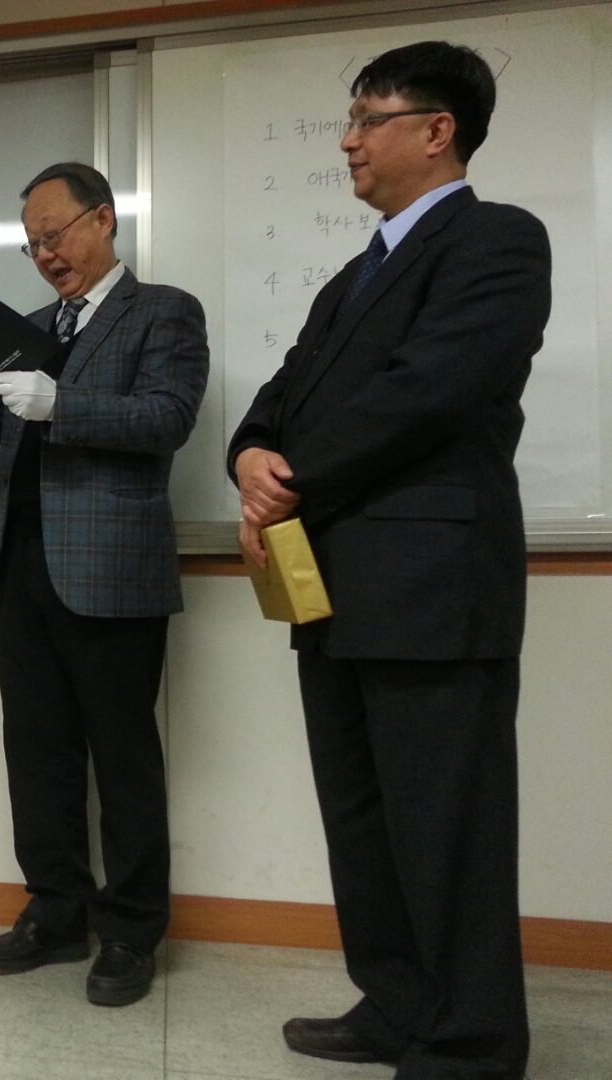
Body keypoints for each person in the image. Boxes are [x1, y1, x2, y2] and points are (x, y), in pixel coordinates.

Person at [229, 42, 552, 1078]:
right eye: (351, 121)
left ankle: (472, 1043)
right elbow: (283, 392)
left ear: (437, 130)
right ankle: (398, 1005)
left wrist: (291, 479)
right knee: (363, 820)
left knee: (447, 826)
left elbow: (428, 389)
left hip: (431, 589)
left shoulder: (498, 240)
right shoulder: (353, 275)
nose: (348, 142)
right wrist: (249, 454)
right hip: (331, 587)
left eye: (369, 119)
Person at [0, 162, 208, 1007]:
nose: (45, 255)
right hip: (23, 567)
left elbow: (168, 416)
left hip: (111, 572)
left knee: (123, 758)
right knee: (36, 753)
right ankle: (56, 913)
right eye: (32, 245)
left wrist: (61, 403)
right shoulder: (27, 328)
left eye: (54, 235)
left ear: (103, 220)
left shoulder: (164, 311)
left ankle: (131, 931)